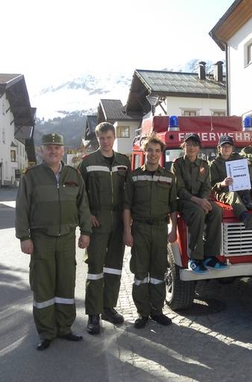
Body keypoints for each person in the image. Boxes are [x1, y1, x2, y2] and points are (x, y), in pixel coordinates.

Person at [15, 133, 92, 351]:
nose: (53, 151)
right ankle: (47, 332)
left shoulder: (74, 175)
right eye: (49, 147)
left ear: (63, 150)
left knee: (66, 284)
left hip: (67, 238)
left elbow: (83, 206)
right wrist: (24, 236)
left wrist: (85, 232)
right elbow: (22, 208)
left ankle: (65, 328)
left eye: (57, 147)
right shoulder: (31, 176)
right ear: (41, 150)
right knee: (43, 286)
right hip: (41, 239)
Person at [77, 122, 130, 335]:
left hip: (118, 220)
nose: (105, 142)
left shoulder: (124, 162)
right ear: (97, 139)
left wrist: (128, 221)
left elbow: (130, 193)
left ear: (114, 137)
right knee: (95, 268)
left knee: (114, 266)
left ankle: (108, 307)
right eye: (101, 138)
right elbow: (79, 194)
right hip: (98, 219)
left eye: (108, 138)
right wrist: (87, 215)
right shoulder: (88, 162)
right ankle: (93, 314)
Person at [123, 137, 178, 329]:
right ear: (144, 152)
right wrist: (127, 232)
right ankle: (142, 313)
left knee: (158, 272)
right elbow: (127, 206)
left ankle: (157, 311)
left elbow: (173, 207)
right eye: (150, 150)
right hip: (140, 229)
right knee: (140, 273)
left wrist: (174, 231)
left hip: (160, 229)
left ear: (160, 154)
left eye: (157, 150)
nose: (153, 154)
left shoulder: (169, 177)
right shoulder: (134, 176)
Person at [171, 133, 227, 274]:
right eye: (188, 144)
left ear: (199, 148)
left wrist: (203, 200)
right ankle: (194, 259)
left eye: (195, 145)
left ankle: (210, 256)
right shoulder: (177, 164)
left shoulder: (204, 165)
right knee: (198, 212)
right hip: (185, 202)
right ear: (183, 146)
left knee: (217, 211)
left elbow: (207, 187)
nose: (191, 147)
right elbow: (179, 189)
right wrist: (198, 201)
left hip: (201, 199)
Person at [210, 135, 252, 229]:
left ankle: (247, 199)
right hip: (223, 191)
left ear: (232, 148)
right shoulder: (214, 164)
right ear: (219, 148)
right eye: (224, 146)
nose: (226, 148)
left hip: (241, 188)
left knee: (244, 184)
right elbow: (211, 186)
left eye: (229, 146)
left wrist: (249, 162)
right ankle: (245, 217)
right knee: (232, 194)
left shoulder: (238, 158)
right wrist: (222, 183)